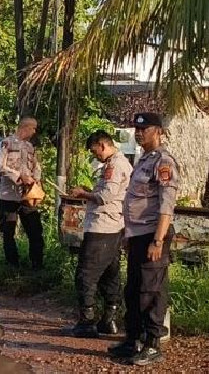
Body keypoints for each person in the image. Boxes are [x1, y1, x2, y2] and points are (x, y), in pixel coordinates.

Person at [109, 113, 179, 366]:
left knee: (151, 291)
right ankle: (133, 341)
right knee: (134, 290)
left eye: (144, 129)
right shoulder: (143, 160)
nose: (139, 133)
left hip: (152, 235)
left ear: (158, 131)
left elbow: (166, 206)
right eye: (136, 129)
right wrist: (129, 234)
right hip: (137, 235)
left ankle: (152, 345)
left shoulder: (164, 161)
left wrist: (158, 241)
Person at [68, 130, 133, 338]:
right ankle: (109, 320)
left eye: (95, 151)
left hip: (102, 227)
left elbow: (106, 195)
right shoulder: (116, 164)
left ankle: (87, 322)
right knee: (109, 275)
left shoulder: (115, 165)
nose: (95, 155)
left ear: (103, 145)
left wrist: (84, 194)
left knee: (86, 274)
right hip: (113, 227)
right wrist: (90, 190)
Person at [0, 117, 44, 269]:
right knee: (8, 232)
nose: (34, 131)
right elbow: (0, 167)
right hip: (9, 196)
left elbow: (37, 167)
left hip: (27, 197)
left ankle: (37, 264)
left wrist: (36, 180)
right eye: (33, 128)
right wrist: (19, 176)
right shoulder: (6, 143)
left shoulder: (30, 147)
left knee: (35, 231)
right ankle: (13, 265)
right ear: (25, 127)